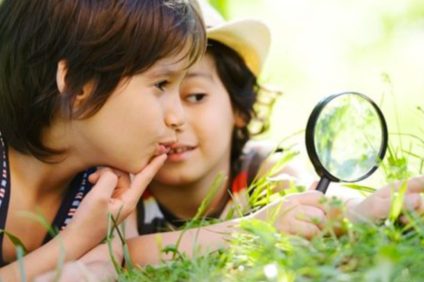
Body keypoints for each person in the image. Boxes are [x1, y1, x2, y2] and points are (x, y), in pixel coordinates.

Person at [126, 0, 424, 265]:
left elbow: (313, 202)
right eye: (157, 92)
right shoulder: (126, 183)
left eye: (195, 96)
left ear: (239, 109)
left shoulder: (260, 168)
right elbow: (123, 256)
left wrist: (361, 209)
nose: (174, 117)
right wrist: (257, 226)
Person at [0, 0, 206, 280]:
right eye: (161, 84)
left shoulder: (102, 185)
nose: (178, 117)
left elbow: (120, 260)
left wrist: (256, 225)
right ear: (77, 85)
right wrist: (76, 240)